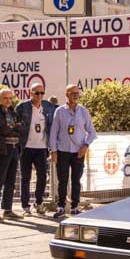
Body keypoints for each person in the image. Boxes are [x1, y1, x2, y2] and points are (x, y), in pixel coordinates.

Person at [50, 85, 97, 217]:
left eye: (77, 93)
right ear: (67, 94)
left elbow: (92, 132)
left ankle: (75, 206)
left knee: (76, 180)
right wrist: (53, 150)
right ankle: (61, 207)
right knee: (62, 180)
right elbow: (54, 132)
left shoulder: (83, 111)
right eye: (72, 93)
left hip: (78, 151)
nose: (75, 95)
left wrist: (86, 145)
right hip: (62, 150)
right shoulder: (59, 111)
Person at [15, 82, 57, 215]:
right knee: (25, 178)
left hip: (42, 148)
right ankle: (25, 206)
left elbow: (61, 111)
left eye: (42, 93)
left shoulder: (48, 107)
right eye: (36, 93)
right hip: (26, 148)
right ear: (30, 93)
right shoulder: (22, 107)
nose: (39, 95)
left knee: (42, 177)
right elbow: (15, 124)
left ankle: (38, 202)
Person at [0, 88, 24, 223]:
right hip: (3, 150)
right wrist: (15, 128)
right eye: (5, 98)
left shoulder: (12, 112)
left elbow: (21, 127)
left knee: (11, 181)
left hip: (14, 148)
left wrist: (14, 128)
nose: (8, 101)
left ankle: (7, 210)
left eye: (10, 98)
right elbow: (3, 130)